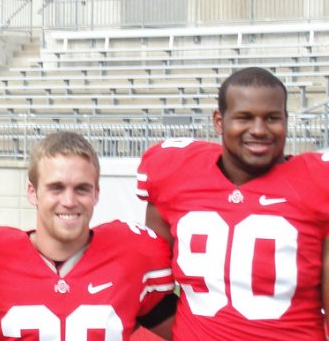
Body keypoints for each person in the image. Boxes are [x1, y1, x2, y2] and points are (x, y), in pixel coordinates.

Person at [137, 67, 329, 339]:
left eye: (272, 118)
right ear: (219, 121)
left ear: (286, 120)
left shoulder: (319, 183)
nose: (259, 130)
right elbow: (150, 285)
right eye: (244, 117)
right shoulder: (173, 172)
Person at [0, 131, 176, 340]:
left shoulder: (132, 257)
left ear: (96, 193)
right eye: (56, 188)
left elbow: (191, 332)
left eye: (81, 189)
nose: (69, 200)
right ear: (32, 192)